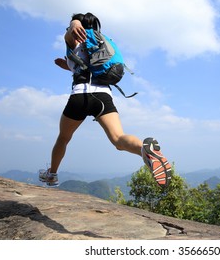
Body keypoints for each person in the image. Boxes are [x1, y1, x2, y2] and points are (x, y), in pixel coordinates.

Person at [39, 13, 172, 188]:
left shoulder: (75, 37)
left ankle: (52, 175)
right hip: (102, 96)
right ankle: (144, 150)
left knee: (63, 138)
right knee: (118, 139)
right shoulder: (100, 42)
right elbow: (89, 66)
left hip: (79, 96)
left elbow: (70, 36)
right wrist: (68, 66)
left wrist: (73, 23)